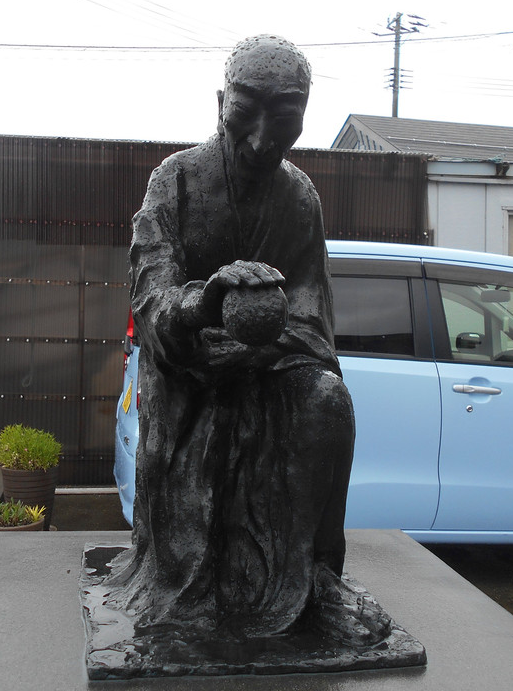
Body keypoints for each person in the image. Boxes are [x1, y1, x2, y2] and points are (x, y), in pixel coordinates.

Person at [105, 35, 391, 646]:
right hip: (188, 384)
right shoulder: (175, 181)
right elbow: (152, 296)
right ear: (220, 102)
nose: (263, 138)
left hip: (270, 372)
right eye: (246, 113)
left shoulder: (300, 197)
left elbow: (312, 313)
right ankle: (183, 582)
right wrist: (204, 304)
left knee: (327, 400)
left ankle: (317, 579)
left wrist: (260, 348)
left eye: (285, 120)